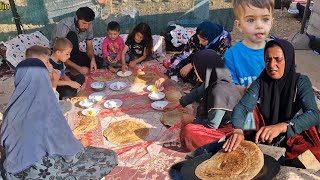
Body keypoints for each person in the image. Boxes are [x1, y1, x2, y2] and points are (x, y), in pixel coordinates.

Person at [0, 58, 118, 179]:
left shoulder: (11, 108)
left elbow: (5, 146)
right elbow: (70, 153)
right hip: (43, 173)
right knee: (109, 157)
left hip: (13, 173)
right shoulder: (47, 105)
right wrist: (79, 149)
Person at [223, 39, 320, 163]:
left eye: (278, 60)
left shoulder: (300, 82)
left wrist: (281, 126)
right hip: (263, 134)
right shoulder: (261, 82)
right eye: (268, 60)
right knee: (249, 114)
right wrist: (238, 130)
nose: (271, 65)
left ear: (288, 60)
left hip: (291, 134)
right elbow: (242, 107)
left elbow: (313, 113)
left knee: (313, 155)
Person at [178, 49, 241, 151]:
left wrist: (192, 119)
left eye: (195, 69)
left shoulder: (218, 94)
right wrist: (180, 102)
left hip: (228, 131)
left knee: (189, 131)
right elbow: (199, 91)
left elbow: (212, 126)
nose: (195, 72)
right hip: (222, 119)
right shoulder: (219, 75)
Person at [224, 0, 274, 95]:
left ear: (271, 22)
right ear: (239, 25)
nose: (259, 26)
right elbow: (228, 87)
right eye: (251, 20)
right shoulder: (232, 55)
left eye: (265, 19)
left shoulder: (277, 51)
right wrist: (246, 91)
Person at [159, 21, 231, 86]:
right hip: (198, 58)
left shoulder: (224, 41)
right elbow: (184, 55)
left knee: (206, 80)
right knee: (177, 62)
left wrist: (192, 65)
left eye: (203, 40)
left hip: (212, 64)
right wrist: (167, 75)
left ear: (210, 38)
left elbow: (217, 61)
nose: (199, 42)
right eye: (199, 39)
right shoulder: (197, 37)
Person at [51, 7, 98, 75]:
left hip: (74, 53)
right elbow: (60, 53)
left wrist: (92, 60)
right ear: (76, 18)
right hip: (60, 53)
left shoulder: (88, 25)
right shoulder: (65, 26)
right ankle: (73, 68)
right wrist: (79, 68)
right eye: (84, 23)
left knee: (98, 62)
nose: (87, 27)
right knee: (72, 35)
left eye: (89, 23)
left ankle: (75, 66)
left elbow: (89, 47)